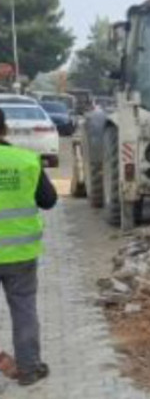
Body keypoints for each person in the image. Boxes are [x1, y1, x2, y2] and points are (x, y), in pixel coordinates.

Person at [0, 108, 57, 386]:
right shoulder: (26, 161)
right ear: (5, 129)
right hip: (19, 255)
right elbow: (48, 201)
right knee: (23, 309)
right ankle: (29, 369)